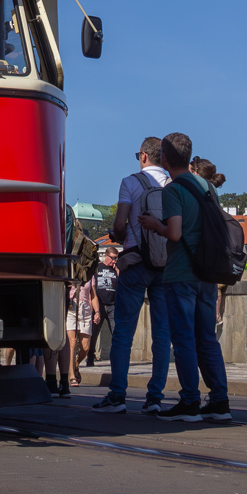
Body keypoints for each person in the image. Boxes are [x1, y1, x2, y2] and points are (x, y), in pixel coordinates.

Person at [138, 132, 232, 422]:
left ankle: (189, 401)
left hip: (181, 272)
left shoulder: (173, 190)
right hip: (208, 272)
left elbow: (175, 233)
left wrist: (155, 225)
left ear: (165, 158)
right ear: (189, 157)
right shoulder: (206, 186)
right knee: (207, 338)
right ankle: (219, 400)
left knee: (183, 340)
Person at [92, 138, 172, 414]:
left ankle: (117, 395)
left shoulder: (131, 182)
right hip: (166, 265)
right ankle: (155, 398)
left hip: (136, 262)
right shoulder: (173, 184)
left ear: (143, 156)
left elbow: (119, 224)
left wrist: (123, 235)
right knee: (162, 334)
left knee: (124, 331)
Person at [66, 273, 99, 386]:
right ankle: (71, 375)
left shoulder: (90, 274)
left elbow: (93, 295)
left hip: (85, 309)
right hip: (71, 308)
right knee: (73, 342)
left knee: (85, 347)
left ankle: (75, 363)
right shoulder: (70, 271)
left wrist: (97, 312)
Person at [89, 245, 119, 366]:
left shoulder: (116, 269)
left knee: (116, 332)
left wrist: (117, 270)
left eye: (116, 258)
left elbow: (123, 285)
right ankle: (90, 358)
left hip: (112, 304)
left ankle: (116, 359)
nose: (114, 261)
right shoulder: (97, 267)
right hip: (99, 305)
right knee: (94, 333)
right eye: (112, 258)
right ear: (105, 256)